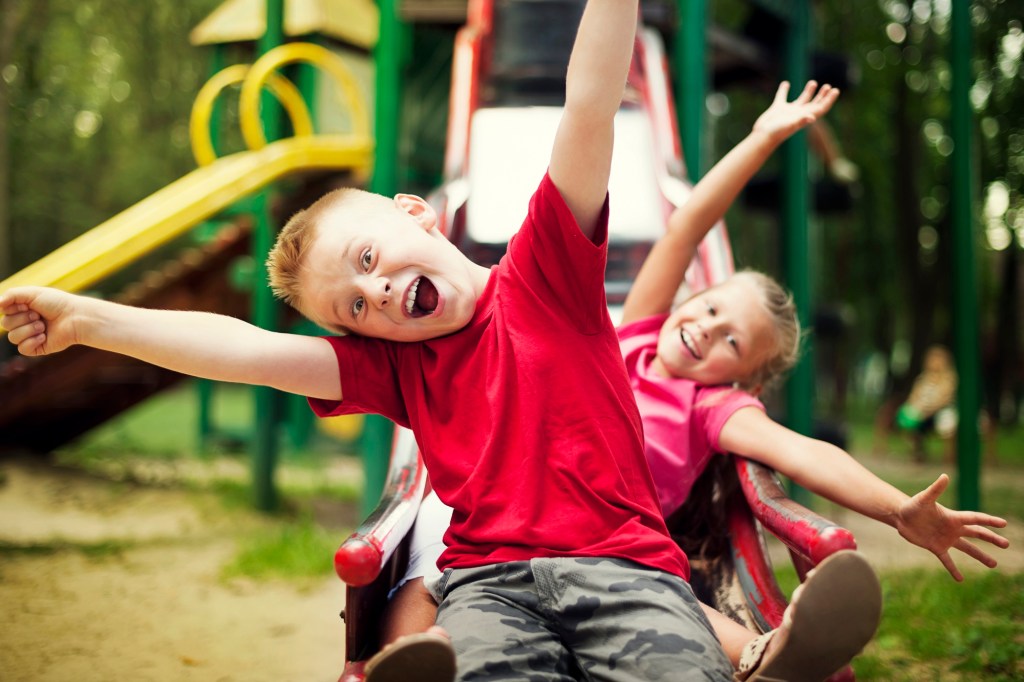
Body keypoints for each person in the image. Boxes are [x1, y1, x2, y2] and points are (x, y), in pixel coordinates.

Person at [2, 2, 735, 680]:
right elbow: (240, 350)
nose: (376, 290)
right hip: (492, 589)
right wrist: (89, 320)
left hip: (625, 569)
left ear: (415, 213)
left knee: (680, 671)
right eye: (354, 305)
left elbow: (589, 103)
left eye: (367, 259)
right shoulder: (397, 368)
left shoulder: (548, 270)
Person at [358, 80, 1012, 682]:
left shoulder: (715, 408)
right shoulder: (636, 333)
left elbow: (804, 453)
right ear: (686, 299)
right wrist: (760, 140)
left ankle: (767, 652)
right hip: (502, 496)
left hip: (618, 543)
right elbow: (692, 221)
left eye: (733, 342)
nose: (708, 329)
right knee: (431, 555)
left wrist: (897, 509)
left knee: (657, 586)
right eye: (710, 307)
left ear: (743, 378)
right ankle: (409, 661)